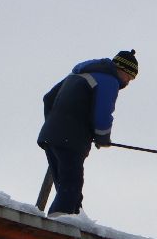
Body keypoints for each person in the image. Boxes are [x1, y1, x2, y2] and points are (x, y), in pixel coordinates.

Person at [37, 50, 139, 215]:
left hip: (50, 137)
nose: (128, 81)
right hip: (71, 139)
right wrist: (102, 137)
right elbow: (103, 114)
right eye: (129, 77)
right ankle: (59, 231)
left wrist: (54, 124)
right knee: (71, 188)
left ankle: (75, 221)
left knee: (67, 189)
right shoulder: (109, 80)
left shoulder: (78, 74)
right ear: (122, 70)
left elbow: (48, 98)